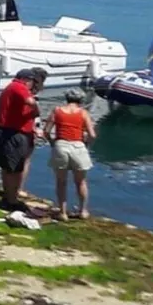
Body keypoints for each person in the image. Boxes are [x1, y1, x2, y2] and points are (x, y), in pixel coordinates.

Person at [0, 67, 44, 209]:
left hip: (11, 130)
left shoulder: (12, 87)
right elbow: (30, 102)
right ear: (27, 80)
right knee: (12, 168)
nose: (34, 85)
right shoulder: (19, 86)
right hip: (11, 132)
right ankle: (11, 200)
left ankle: (10, 195)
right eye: (33, 82)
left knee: (11, 166)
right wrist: (36, 111)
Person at [46, 88, 97, 220]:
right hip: (78, 146)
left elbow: (46, 131)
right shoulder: (83, 113)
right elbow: (92, 135)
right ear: (80, 100)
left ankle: (63, 213)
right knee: (81, 182)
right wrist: (86, 144)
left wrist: (52, 142)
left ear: (67, 98)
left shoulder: (57, 110)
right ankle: (83, 211)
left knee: (61, 182)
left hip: (61, 145)